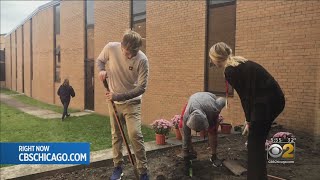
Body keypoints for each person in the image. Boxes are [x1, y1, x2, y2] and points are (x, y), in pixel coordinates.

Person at [209, 42, 285, 180]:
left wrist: (249, 120)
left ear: (216, 57)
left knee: (254, 143)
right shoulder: (242, 62)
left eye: (211, 58)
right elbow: (250, 93)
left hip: (265, 104)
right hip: (275, 101)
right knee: (257, 141)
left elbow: (246, 96)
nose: (212, 62)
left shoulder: (230, 70)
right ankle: (260, 176)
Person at [96, 30, 149, 180]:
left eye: (134, 52)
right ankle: (118, 167)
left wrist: (118, 96)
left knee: (135, 134)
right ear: (121, 46)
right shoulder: (111, 48)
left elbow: (141, 88)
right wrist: (101, 71)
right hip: (113, 102)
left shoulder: (142, 60)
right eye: (127, 52)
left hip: (132, 102)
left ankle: (143, 170)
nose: (130, 55)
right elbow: (100, 61)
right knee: (116, 135)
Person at [180, 92, 226, 170]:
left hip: (209, 100)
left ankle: (214, 156)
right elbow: (186, 133)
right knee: (182, 126)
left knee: (212, 131)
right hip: (193, 101)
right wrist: (185, 151)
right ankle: (189, 150)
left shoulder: (213, 110)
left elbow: (222, 100)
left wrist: (216, 122)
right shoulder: (187, 115)